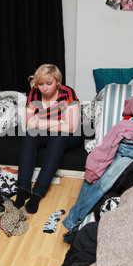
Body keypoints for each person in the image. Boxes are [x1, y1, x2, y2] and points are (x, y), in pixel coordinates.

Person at [14, 64, 84, 213]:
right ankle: (23, 189)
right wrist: (58, 122)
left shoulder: (67, 93)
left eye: (49, 83)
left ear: (58, 81)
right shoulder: (34, 93)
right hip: (52, 129)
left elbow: (71, 127)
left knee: (58, 138)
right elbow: (30, 123)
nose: (44, 88)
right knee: (29, 136)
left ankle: (38, 194)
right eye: (40, 84)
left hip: (71, 135)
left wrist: (41, 123)